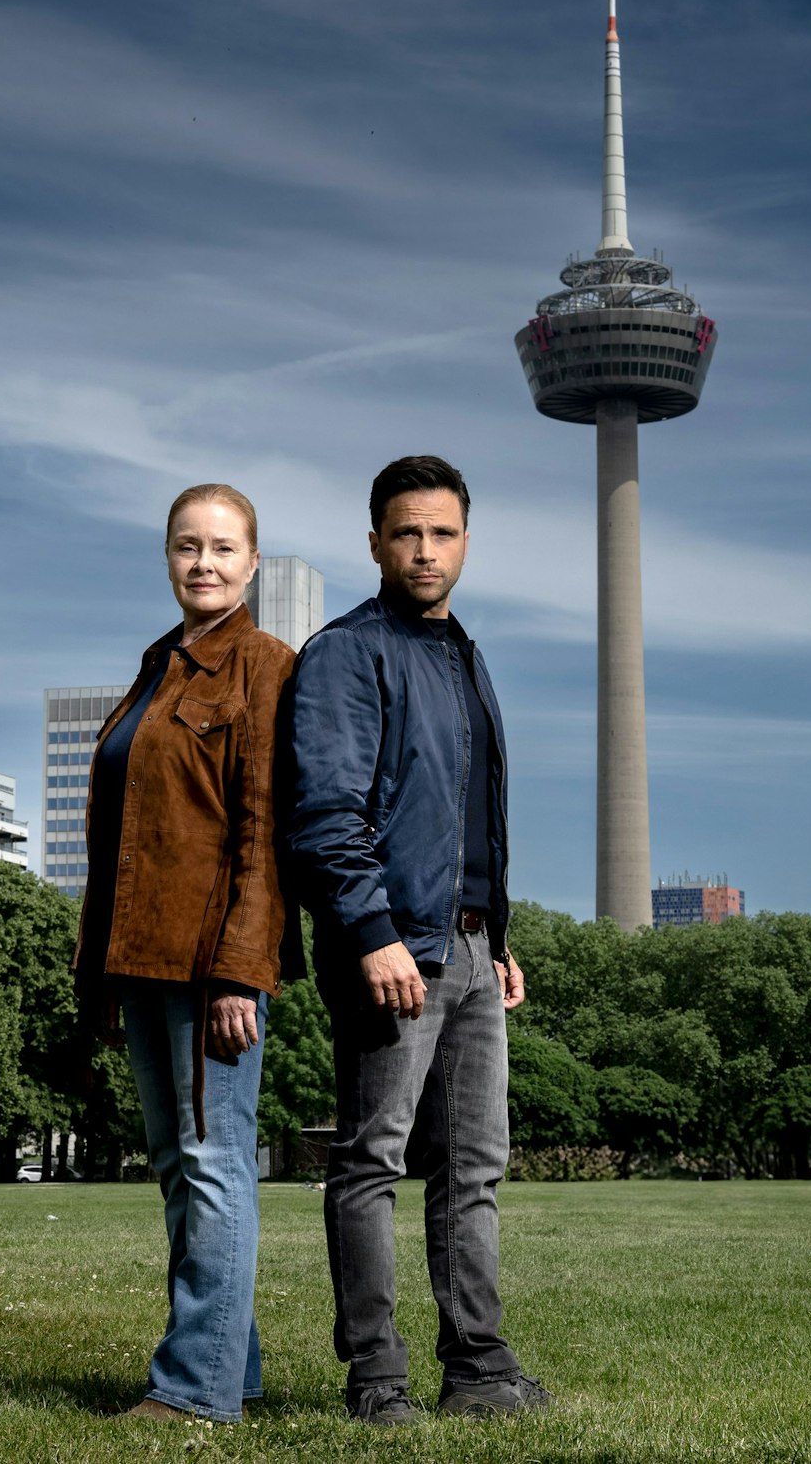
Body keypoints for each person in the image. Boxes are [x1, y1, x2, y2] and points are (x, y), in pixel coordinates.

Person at [287, 455, 550, 1424]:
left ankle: (478, 1371)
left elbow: (464, 816)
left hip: (472, 950)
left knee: (473, 1168)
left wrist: (498, 936)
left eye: (441, 534)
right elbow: (325, 812)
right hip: (392, 951)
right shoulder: (346, 654)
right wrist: (372, 932)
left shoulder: (463, 655)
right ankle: (376, 1382)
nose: (424, 550)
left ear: (466, 543)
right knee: (372, 1164)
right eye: (406, 533)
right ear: (374, 544)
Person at [72, 483, 301, 1425]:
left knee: (214, 1163)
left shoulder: (264, 666)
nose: (201, 564)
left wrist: (244, 969)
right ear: (167, 559)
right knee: (183, 1165)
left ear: (252, 563)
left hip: (213, 968)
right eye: (184, 547)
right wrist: (104, 965)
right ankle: (225, 1370)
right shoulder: (157, 668)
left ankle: (195, 1392)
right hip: (144, 959)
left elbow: (264, 835)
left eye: (220, 549)